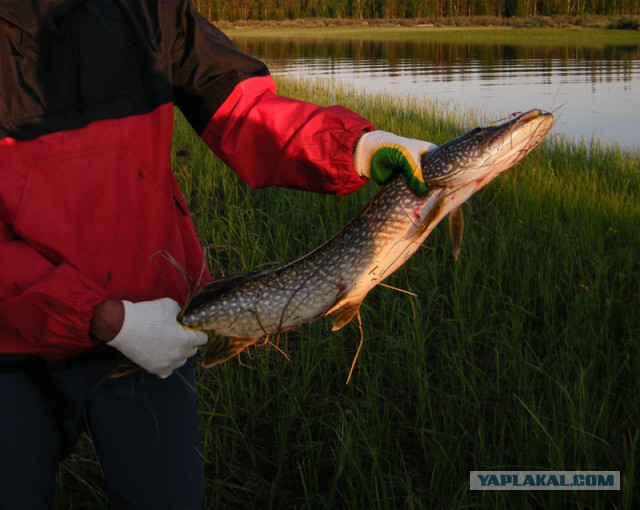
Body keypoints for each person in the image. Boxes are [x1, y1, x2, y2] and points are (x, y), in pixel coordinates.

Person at [0, 1, 435, 508]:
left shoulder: (149, 10)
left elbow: (244, 112)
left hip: (157, 331)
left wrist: (355, 147)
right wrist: (105, 318)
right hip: (13, 349)